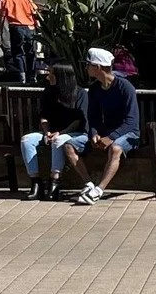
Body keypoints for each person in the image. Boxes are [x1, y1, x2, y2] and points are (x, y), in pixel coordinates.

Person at [60, 48, 141, 206]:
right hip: (105, 133)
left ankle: (99, 190)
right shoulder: (95, 89)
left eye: (88, 64)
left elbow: (131, 121)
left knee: (116, 149)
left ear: (97, 67)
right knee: (69, 146)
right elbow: (93, 117)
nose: (86, 68)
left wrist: (111, 137)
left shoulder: (125, 88)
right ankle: (89, 184)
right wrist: (94, 133)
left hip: (129, 134)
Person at [18, 63, 88, 201]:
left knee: (58, 141)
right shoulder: (49, 92)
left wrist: (61, 133)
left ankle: (54, 182)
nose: (48, 77)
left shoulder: (80, 94)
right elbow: (44, 117)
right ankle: (36, 183)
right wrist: (46, 132)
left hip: (73, 132)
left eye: (51, 73)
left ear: (60, 76)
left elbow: (79, 121)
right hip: (51, 132)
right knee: (26, 140)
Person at [0, 0, 39, 82]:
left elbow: (1, 18)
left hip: (16, 28)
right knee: (31, 53)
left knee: (18, 53)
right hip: (30, 27)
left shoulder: (5, 0)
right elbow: (35, 12)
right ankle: (32, 75)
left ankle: (22, 76)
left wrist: (0, 33)